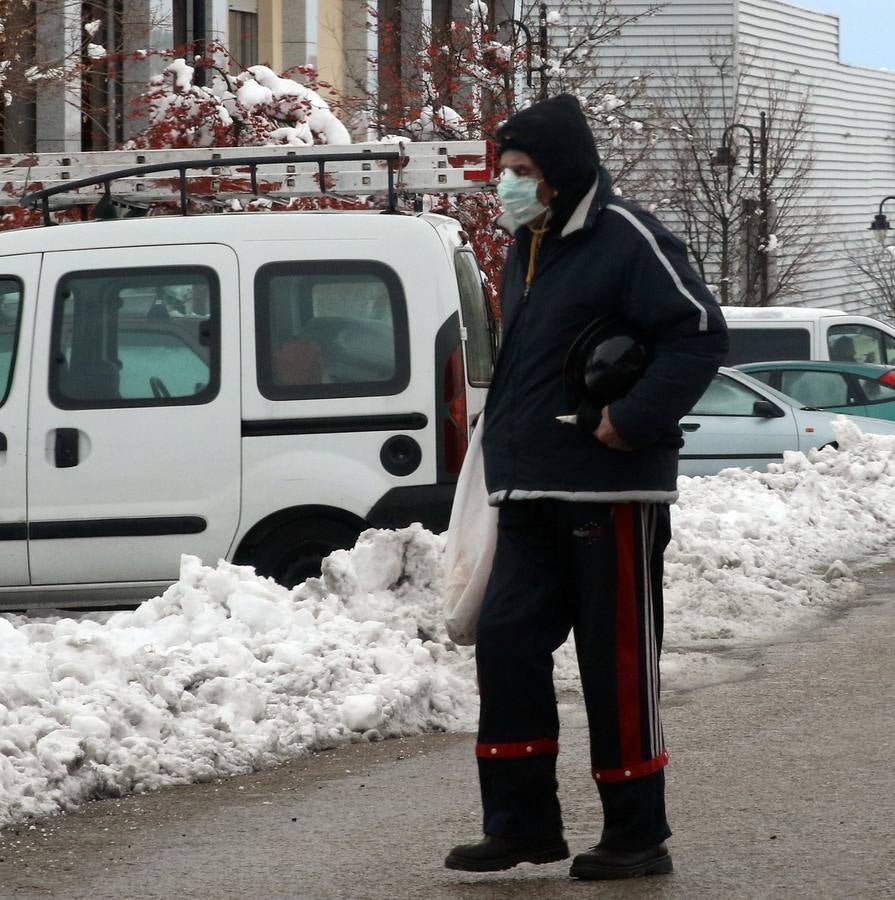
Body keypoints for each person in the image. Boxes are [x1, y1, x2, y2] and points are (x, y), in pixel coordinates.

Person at [444, 95, 729, 880]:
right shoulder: (521, 246)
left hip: (610, 496)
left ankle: (636, 835)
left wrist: (629, 421)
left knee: (615, 666)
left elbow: (698, 332)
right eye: (503, 170)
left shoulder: (625, 236)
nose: (507, 184)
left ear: (562, 174)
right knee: (504, 647)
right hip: (528, 492)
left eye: (523, 171)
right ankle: (522, 825)